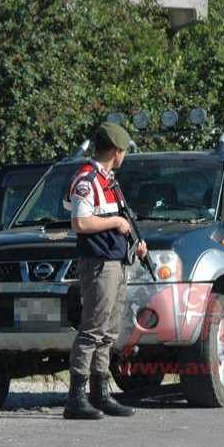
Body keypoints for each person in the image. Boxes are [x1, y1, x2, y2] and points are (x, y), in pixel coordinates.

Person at [62, 122, 148, 420]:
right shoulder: (87, 179)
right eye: (123, 151)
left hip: (115, 262)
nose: (124, 156)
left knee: (109, 331)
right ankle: (76, 396)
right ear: (115, 151)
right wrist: (116, 224)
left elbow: (120, 217)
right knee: (93, 329)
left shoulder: (108, 181)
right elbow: (81, 223)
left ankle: (101, 391)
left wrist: (135, 241)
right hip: (98, 264)